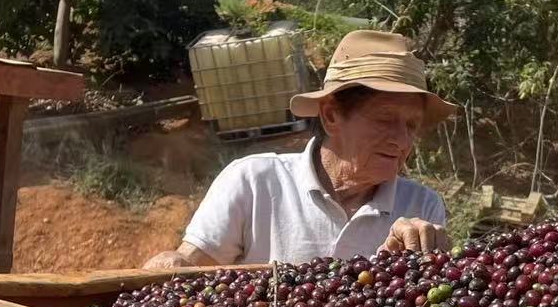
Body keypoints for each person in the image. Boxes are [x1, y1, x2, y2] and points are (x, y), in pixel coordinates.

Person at [145, 30, 456, 269]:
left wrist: (418, 261)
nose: (402, 141)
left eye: (412, 125)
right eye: (385, 119)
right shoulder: (253, 181)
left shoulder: (421, 206)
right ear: (332, 115)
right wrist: (172, 264)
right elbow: (190, 266)